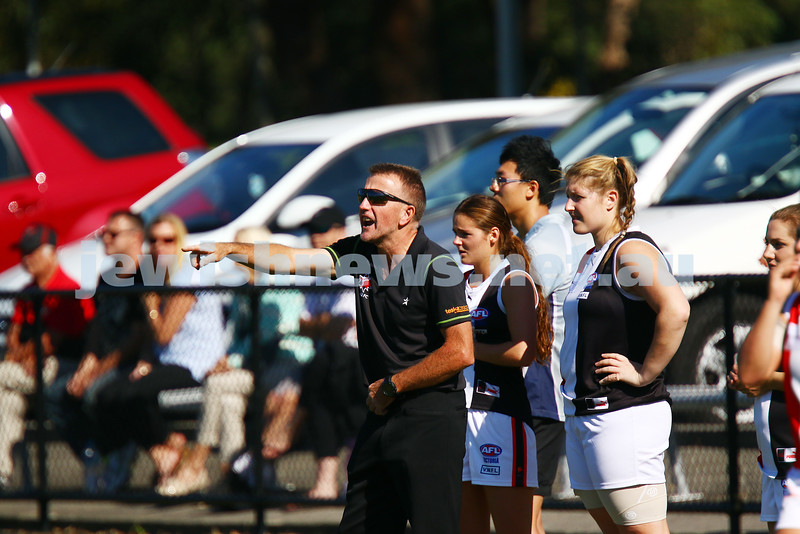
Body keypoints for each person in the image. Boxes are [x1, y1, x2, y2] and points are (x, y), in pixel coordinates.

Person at [184, 162, 474, 533]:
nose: (364, 206)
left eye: (377, 198)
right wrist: (230, 248)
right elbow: (290, 260)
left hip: (429, 418)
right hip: (381, 412)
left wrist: (393, 385)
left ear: (407, 214)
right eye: (363, 196)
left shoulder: (437, 265)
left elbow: (460, 352)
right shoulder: (361, 253)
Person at [560, 155, 690, 534]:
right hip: (585, 415)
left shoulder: (629, 251)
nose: (568, 206)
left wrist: (645, 371)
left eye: (577, 197)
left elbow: (676, 309)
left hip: (622, 414)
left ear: (610, 199)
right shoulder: (591, 255)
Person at [158, 225, 312, 496]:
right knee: (227, 401)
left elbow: (271, 339)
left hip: (280, 368)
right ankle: (243, 479)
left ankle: (196, 464)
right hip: (252, 368)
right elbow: (241, 337)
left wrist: (234, 362)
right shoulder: (244, 291)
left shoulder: (282, 289)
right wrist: (229, 359)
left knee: (218, 387)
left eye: (244, 250)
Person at [94, 213, 225, 490]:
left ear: (180, 242)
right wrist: (144, 361)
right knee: (108, 394)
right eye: (154, 240)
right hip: (166, 361)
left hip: (194, 364)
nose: (159, 246)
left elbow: (164, 334)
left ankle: (173, 448)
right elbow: (154, 342)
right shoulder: (161, 275)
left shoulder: (189, 274)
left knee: (133, 393)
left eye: (168, 239)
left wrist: (150, 301)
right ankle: (166, 452)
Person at [452, 194, 552, 534]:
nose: (456, 241)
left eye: (465, 234)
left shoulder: (514, 281)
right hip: (458, 417)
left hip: (501, 417)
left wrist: (467, 349)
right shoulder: (458, 284)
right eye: (455, 232)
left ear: (493, 235)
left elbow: (525, 351)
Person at [489, 135, 573, 530]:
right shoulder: (532, 240)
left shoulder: (546, 242)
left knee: (524, 521)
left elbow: (522, 316)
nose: (493, 187)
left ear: (531, 188)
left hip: (539, 396)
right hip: (529, 395)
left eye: (501, 178)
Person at [54, 210, 153, 493]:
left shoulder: (147, 274)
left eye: (112, 234)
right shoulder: (106, 276)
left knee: (96, 392)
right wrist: (87, 363)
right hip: (105, 363)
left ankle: (119, 453)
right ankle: (93, 456)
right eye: (103, 234)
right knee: (58, 392)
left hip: (132, 363)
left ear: (135, 237)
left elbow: (138, 335)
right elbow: (98, 327)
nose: (104, 238)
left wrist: (98, 370)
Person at [0, 224, 94, 490]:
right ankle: (3, 474)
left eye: (32, 251)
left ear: (51, 252)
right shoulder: (27, 291)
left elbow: (51, 342)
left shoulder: (66, 287)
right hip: (25, 373)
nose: (26, 258)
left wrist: (21, 355)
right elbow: (14, 338)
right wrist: (21, 355)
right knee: (6, 401)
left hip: (62, 368)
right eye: (23, 252)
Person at [730, 204, 800, 534]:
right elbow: (753, 369)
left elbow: (761, 376)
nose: (767, 254)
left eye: (778, 244)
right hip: (776, 464)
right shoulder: (785, 301)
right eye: (766, 243)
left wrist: (760, 380)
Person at [297, 206, 366, 500]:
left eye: (322, 229)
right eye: (311, 230)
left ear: (340, 230)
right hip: (330, 361)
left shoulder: (353, 261)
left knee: (327, 374)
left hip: (359, 359)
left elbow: (342, 324)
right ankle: (326, 482)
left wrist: (319, 326)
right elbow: (303, 325)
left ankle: (347, 481)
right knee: (320, 387)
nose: (314, 237)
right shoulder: (318, 273)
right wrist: (322, 326)